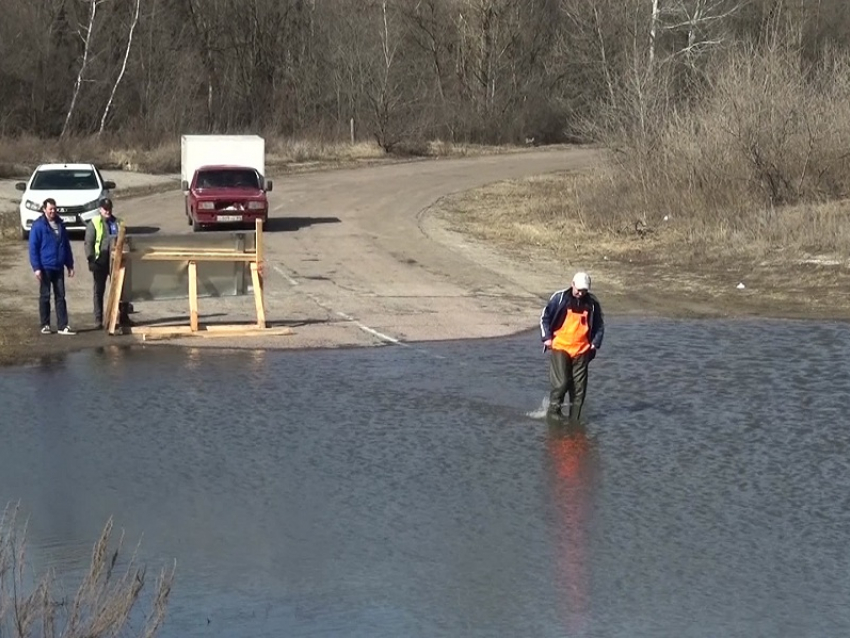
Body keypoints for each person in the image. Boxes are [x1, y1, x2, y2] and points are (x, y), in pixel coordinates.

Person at [539, 271, 604, 421]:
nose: (580, 293)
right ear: (572, 284)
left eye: (584, 291)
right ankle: (554, 413)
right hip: (560, 346)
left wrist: (595, 343)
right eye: (578, 289)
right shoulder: (560, 298)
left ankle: (574, 421)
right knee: (561, 383)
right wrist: (546, 338)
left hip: (582, 350)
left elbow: (599, 325)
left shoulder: (592, 304)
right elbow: (545, 317)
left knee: (579, 390)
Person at [28, 198, 76, 335]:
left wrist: (70, 265)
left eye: (54, 209)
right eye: (50, 209)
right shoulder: (38, 225)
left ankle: (62, 325)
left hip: (58, 266)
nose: (53, 211)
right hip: (45, 266)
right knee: (45, 296)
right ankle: (45, 324)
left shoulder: (60, 224)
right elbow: (33, 248)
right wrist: (36, 267)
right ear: (44, 209)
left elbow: (66, 246)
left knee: (60, 296)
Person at [84, 198, 129, 329]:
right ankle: (98, 319)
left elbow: (125, 240)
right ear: (100, 209)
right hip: (100, 261)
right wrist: (91, 259)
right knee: (99, 290)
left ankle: (123, 316)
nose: (107, 211)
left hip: (117, 261)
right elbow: (88, 243)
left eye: (109, 208)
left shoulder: (119, 223)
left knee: (121, 289)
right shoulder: (94, 223)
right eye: (105, 208)